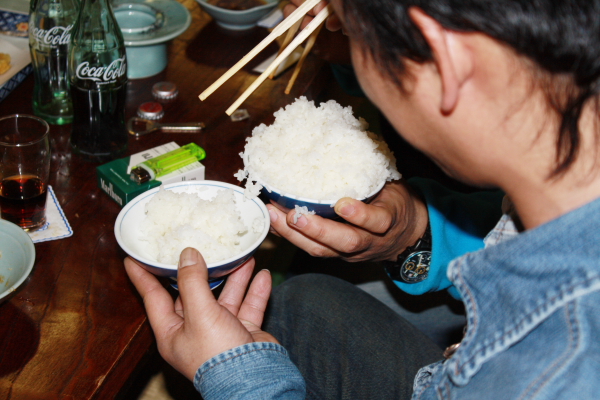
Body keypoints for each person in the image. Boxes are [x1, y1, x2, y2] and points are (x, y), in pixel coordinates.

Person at [124, 0, 600, 398]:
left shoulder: (554, 371)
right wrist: (413, 231)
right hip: (452, 368)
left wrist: (241, 380)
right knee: (300, 303)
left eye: (355, 37)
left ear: (448, 63)